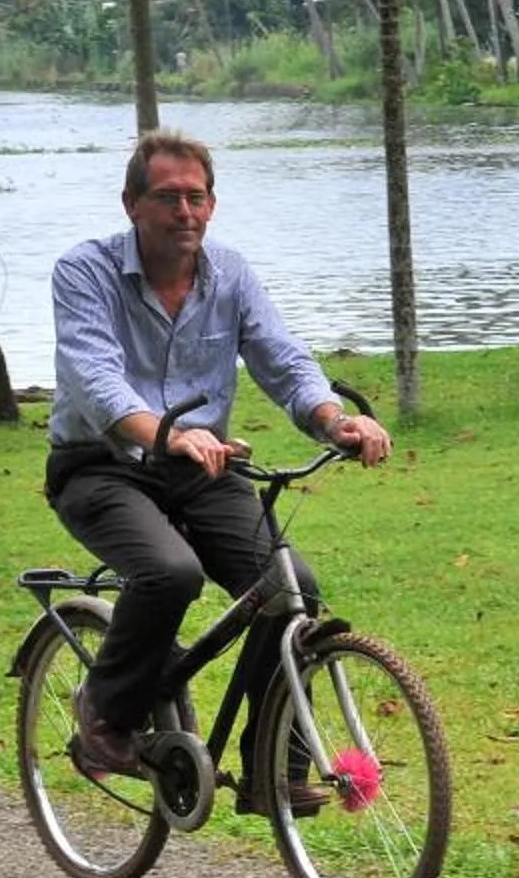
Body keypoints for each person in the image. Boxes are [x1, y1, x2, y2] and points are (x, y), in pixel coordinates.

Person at [46, 131, 392, 800]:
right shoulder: (84, 272)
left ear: (212, 204)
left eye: (196, 197)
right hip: (100, 466)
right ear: (131, 204)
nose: (184, 211)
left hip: (201, 468)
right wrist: (167, 435)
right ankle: (104, 714)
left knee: (292, 588)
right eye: (167, 197)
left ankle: (272, 771)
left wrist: (334, 418)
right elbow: (97, 381)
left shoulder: (229, 274)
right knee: (168, 571)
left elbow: (282, 359)